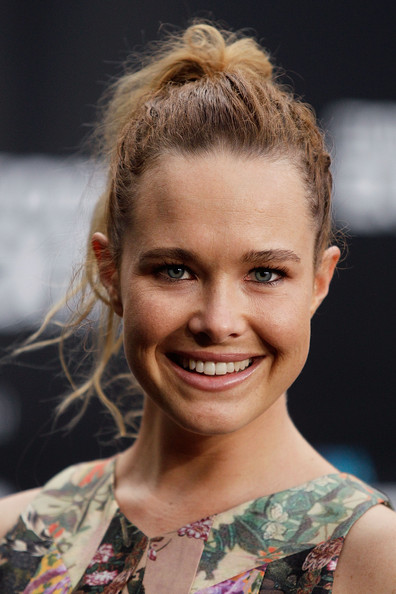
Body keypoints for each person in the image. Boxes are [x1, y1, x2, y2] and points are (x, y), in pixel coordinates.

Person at [0, 22, 395, 593]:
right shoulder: (19, 540)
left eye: (264, 273)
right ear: (110, 272)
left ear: (319, 281)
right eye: (175, 271)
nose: (218, 321)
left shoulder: (373, 563)